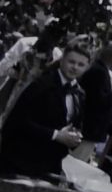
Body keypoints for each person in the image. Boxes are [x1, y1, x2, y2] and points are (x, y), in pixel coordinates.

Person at [0, 37, 91, 182]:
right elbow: (17, 121)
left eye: (81, 64)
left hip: (50, 165)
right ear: (62, 60)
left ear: (86, 67)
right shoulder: (41, 84)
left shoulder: (79, 93)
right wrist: (55, 135)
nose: (75, 67)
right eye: (71, 62)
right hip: (22, 161)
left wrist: (75, 136)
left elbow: (75, 123)